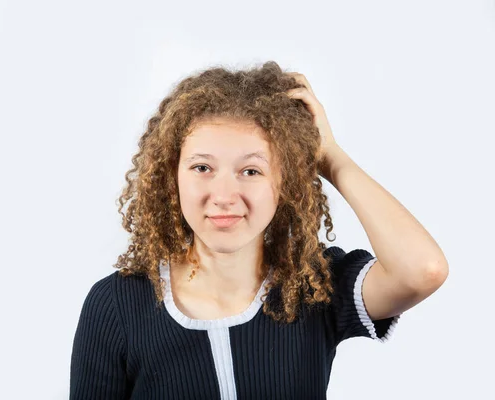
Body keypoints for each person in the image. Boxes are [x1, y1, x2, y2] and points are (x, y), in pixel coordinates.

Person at [69, 62, 449, 399]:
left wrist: (331, 158)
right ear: (173, 178)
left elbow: (423, 270)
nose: (223, 196)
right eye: (202, 168)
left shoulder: (313, 284)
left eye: (251, 171)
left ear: (284, 184)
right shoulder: (117, 304)